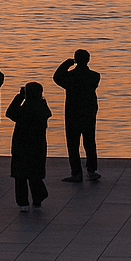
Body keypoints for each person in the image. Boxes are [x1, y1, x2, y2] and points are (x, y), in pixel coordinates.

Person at [53, 49, 101, 182]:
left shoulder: (70, 77)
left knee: (73, 144)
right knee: (90, 142)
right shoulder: (95, 76)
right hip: (88, 112)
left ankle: (76, 173)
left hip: (73, 113)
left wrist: (67, 64)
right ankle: (91, 170)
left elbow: (56, 77)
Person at [7, 82, 52, 211]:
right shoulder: (41, 108)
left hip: (21, 144)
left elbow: (10, 112)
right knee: (35, 173)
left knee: (20, 175)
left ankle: (23, 202)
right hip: (38, 144)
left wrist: (19, 97)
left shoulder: (23, 110)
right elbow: (47, 112)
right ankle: (37, 199)